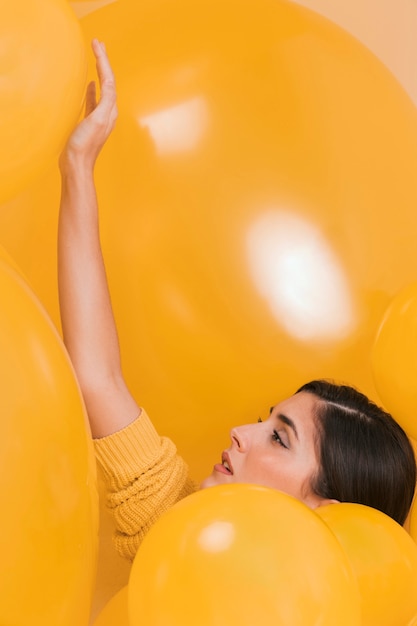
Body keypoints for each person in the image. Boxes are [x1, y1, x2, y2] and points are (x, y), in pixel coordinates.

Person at [58, 40, 416, 562]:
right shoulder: (179, 530)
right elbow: (97, 379)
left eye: (278, 439)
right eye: (268, 421)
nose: (240, 432)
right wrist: (77, 165)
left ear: (325, 510)